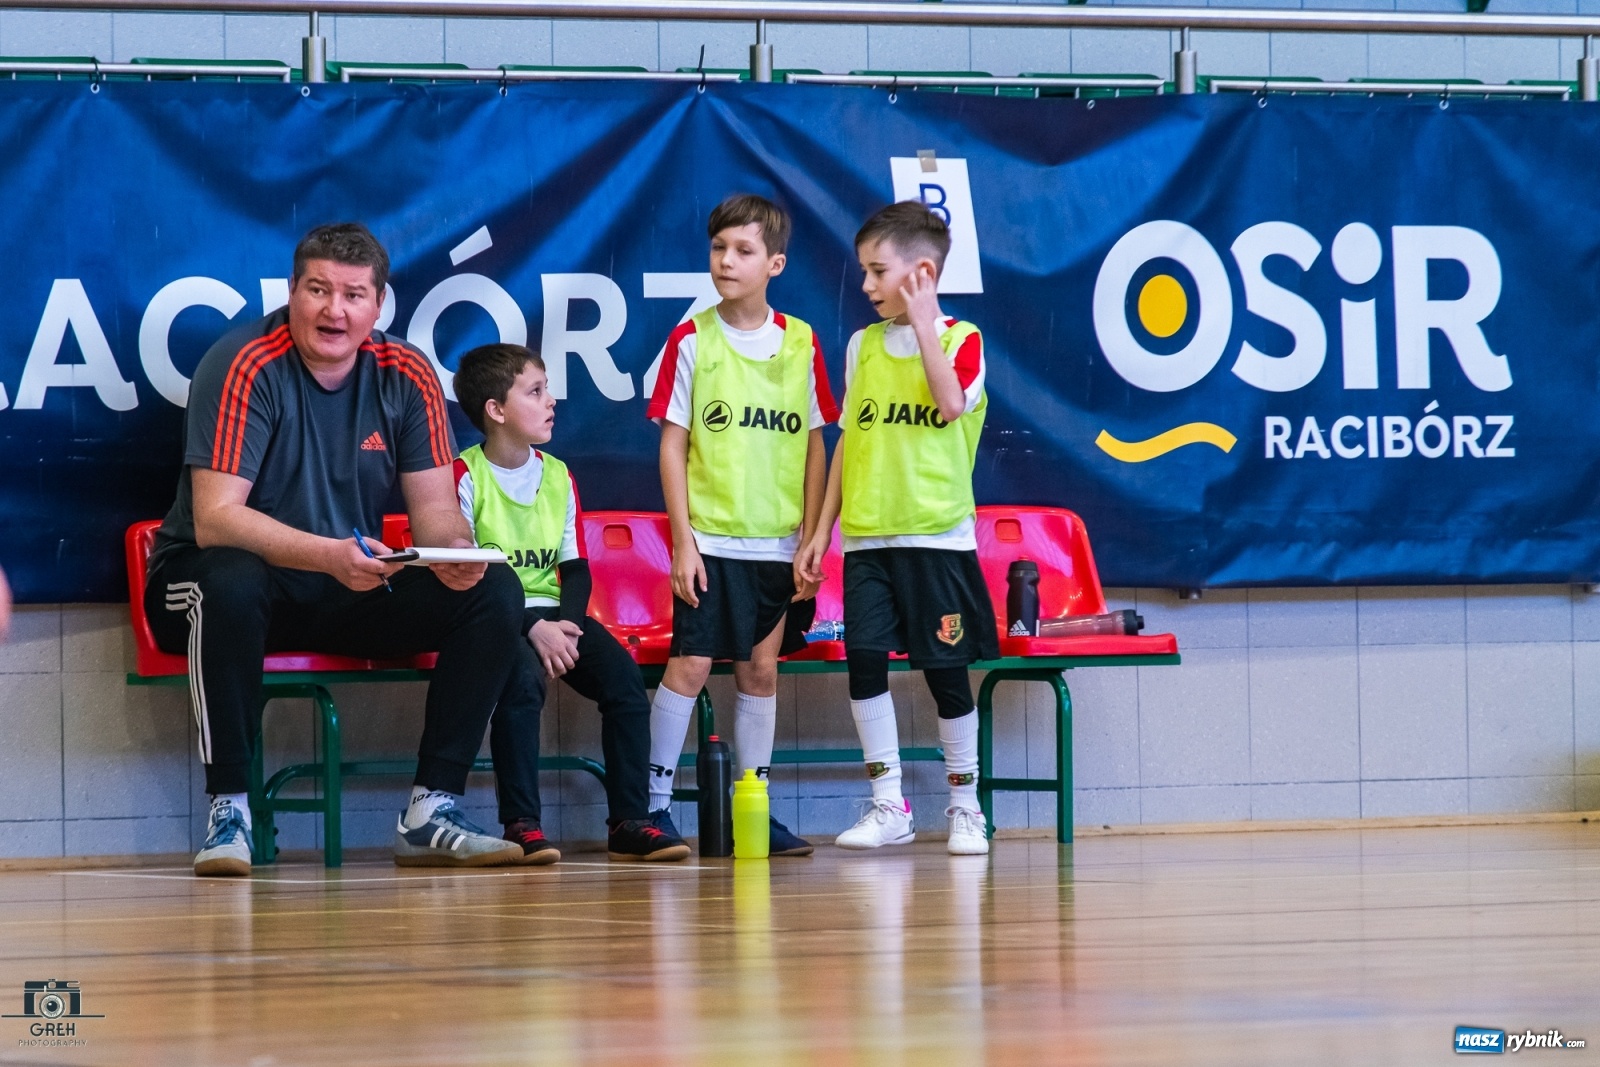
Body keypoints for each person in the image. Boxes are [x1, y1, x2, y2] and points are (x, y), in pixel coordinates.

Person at [145, 223, 526, 877]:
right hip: (207, 583)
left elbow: (436, 513)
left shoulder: (407, 372)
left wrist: (456, 552)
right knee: (231, 578)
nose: (334, 310)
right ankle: (229, 810)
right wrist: (328, 555)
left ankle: (430, 810)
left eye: (353, 295)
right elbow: (216, 519)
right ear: (291, 292)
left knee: (493, 589)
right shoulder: (243, 362)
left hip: (343, 582)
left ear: (378, 305)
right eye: (318, 290)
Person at [798, 201, 1000, 856]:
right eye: (863, 270)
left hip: (935, 538)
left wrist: (921, 323)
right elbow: (850, 442)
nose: (866, 284)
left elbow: (949, 403)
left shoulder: (963, 341)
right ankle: (890, 805)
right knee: (863, 664)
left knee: (945, 672)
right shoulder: (862, 346)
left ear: (921, 273)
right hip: (867, 539)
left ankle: (966, 807)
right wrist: (820, 533)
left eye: (878, 271)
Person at [643, 194, 838, 857]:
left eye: (743, 250)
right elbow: (672, 443)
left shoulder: (802, 341)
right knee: (691, 664)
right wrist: (683, 542)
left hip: (777, 543)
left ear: (775, 263)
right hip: (710, 540)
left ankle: (752, 811)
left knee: (760, 670)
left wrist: (811, 537)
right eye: (718, 247)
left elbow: (815, 443)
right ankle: (653, 806)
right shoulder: (692, 339)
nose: (726, 260)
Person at [452, 342, 691, 864]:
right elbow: (467, 576)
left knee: (624, 682)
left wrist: (567, 626)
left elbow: (576, 568)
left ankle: (630, 821)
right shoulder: (464, 476)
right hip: (494, 618)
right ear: (495, 410)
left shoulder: (559, 474)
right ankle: (522, 825)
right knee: (521, 683)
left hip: (557, 617)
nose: (551, 401)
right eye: (535, 391)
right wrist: (531, 628)